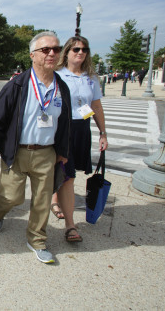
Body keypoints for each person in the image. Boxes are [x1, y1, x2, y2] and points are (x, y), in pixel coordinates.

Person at [0, 31, 71, 264]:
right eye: (46, 50)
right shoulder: (18, 85)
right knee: (12, 197)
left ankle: (37, 240)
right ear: (32, 55)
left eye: (56, 48)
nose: (52, 53)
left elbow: (65, 122)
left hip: (46, 153)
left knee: (42, 201)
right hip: (17, 152)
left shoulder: (61, 87)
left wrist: (63, 152)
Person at [52, 36, 108, 242]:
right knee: (68, 176)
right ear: (66, 52)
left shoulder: (91, 78)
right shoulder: (57, 75)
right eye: (76, 49)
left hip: (82, 129)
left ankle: (55, 199)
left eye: (84, 49)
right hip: (62, 130)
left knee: (68, 173)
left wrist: (103, 133)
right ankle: (70, 224)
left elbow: (96, 107)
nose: (80, 52)